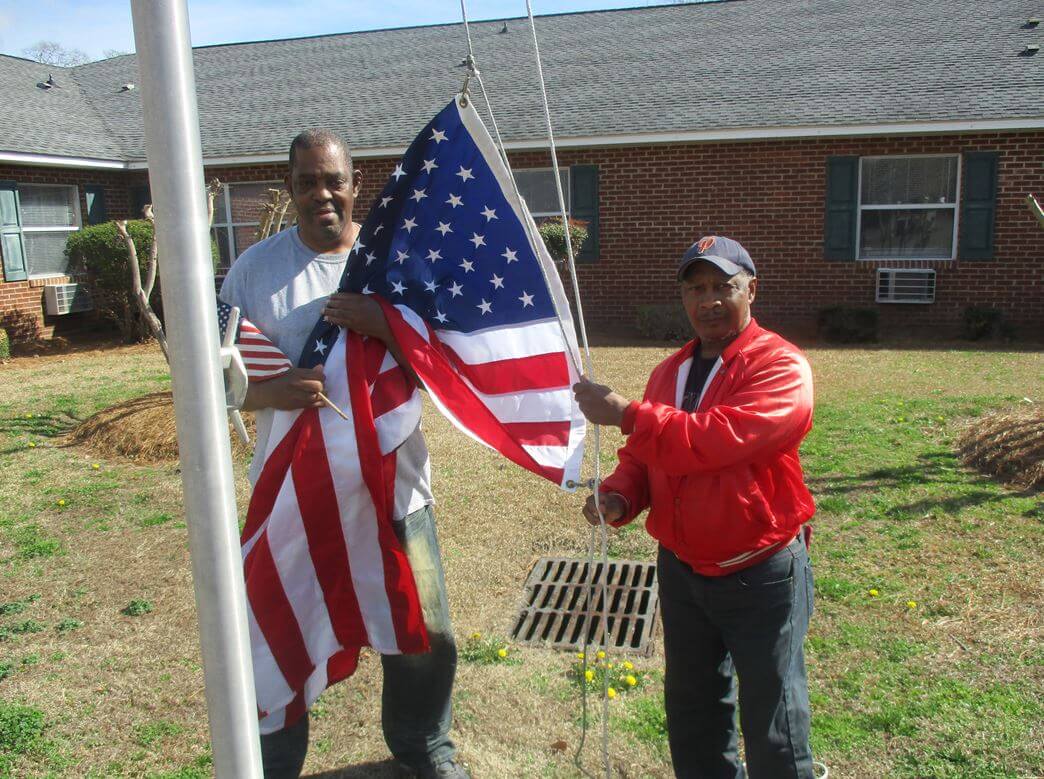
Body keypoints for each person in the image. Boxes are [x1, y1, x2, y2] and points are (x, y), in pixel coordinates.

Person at [219, 129, 468, 779]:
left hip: (395, 486)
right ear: (291, 188)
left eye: (333, 179)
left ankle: (423, 745)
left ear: (356, 184)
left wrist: (379, 320)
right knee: (281, 632)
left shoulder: (395, 263)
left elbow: (445, 360)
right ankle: (273, 763)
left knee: (427, 629)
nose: (321, 194)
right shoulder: (254, 272)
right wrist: (274, 388)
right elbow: (213, 379)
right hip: (296, 492)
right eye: (306, 181)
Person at [573, 236, 817, 779]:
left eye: (723, 287)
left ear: (751, 290)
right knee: (693, 711)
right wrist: (620, 494)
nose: (709, 300)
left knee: (774, 722)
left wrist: (629, 414)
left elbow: (717, 439)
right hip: (682, 571)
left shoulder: (781, 367)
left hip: (759, 570)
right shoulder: (669, 372)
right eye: (696, 288)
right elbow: (645, 455)